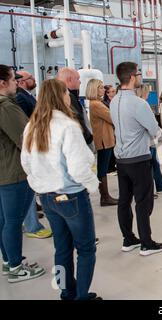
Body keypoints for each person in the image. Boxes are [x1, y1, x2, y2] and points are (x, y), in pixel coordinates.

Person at [21, 79, 101, 300]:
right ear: (61, 96)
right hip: (71, 196)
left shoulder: (31, 126)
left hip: (46, 197)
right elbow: (77, 168)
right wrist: (93, 185)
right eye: (67, 93)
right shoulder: (68, 126)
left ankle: (67, 292)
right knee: (85, 249)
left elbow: (26, 163)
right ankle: (82, 296)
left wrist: (40, 182)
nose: (69, 97)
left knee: (62, 248)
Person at [110, 62, 162, 256]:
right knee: (143, 201)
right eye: (140, 73)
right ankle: (146, 242)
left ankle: (128, 239)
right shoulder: (138, 103)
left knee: (124, 200)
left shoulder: (114, 100)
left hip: (121, 158)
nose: (141, 76)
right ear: (133, 77)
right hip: (139, 158)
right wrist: (158, 135)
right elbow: (154, 129)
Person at [0, 64, 45, 284]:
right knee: (13, 221)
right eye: (12, 79)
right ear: (2, 83)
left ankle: (10, 261)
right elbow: (27, 139)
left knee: (5, 220)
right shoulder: (6, 106)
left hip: (4, 172)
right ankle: (16, 267)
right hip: (13, 174)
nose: (16, 83)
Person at [15, 70, 52, 239]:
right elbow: (25, 125)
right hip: (26, 150)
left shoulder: (25, 95)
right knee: (28, 189)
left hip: (28, 148)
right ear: (22, 81)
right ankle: (32, 225)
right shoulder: (20, 98)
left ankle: (30, 221)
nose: (34, 79)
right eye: (31, 78)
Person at [86, 79, 118, 206]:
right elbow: (112, 118)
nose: (103, 90)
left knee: (103, 168)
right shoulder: (96, 104)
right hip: (104, 140)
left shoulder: (98, 103)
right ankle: (104, 197)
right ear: (94, 89)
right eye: (100, 87)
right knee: (103, 169)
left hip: (106, 139)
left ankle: (105, 196)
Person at [136, 84, 162, 196]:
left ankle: (160, 186)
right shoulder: (141, 105)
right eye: (148, 92)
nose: (149, 94)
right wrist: (158, 131)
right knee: (149, 168)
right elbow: (149, 124)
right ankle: (150, 191)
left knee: (155, 165)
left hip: (152, 141)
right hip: (148, 141)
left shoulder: (144, 104)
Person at [56, 67, 94, 148]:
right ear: (69, 79)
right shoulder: (68, 97)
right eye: (77, 79)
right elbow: (77, 118)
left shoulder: (69, 96)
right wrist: (88, 137)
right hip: (76, 144)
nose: (80, 82)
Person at [103, 85, 117, 174]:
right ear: (107, 93)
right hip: (110, 128)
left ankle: (113, 165)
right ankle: (110, 167)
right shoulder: (104, 103)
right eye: (112, 91)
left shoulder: (114, 101)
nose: (114, 93)